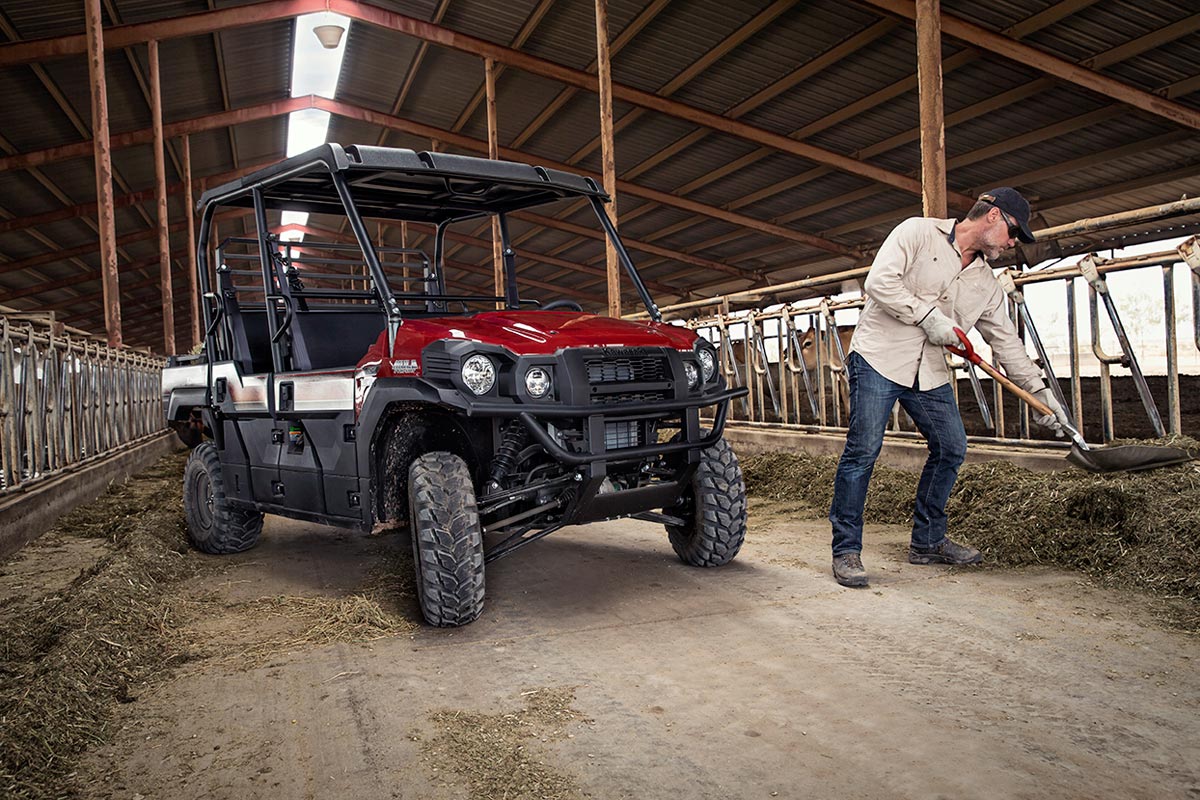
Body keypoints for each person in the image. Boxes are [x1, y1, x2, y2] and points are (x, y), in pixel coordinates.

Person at [829, 188, 1071, 588]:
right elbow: (879, 282)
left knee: (952, 446)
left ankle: (927, 542)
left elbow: (1006, 343)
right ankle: (846, 551)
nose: (1013, 244)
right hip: (879, 358)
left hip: (930, 372)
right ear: (992, 216)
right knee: (863, 450)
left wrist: (1042, 396)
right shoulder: (916, 233)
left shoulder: (986, 284)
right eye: (1013, 233)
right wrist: (927, 317)